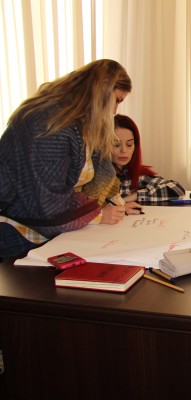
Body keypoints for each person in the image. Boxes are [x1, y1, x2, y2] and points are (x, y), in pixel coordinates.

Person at [0, 59, 132, 258]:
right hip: (21, 233)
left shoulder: (82, 122)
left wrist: (116, 204)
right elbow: (47, 203)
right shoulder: (50, 123)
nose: (115, 111)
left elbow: (101, 174)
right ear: (102, 91)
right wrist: (98, 214)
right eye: (118, 100)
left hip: (51, 231)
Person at [113, 114, 185, 204]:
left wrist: (135, 196)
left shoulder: (134, 174)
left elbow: (177, 189)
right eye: (116, 145)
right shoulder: (98, 175)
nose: (124, 150)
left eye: (129, 144)